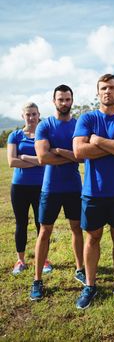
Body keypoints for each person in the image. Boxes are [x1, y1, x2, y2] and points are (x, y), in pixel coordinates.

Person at [73, 74, 114, 309]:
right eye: (103, 88)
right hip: (93, 192)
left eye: (112, 88)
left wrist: (99, 141)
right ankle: (90, 285)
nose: (107, 91)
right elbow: (79, 152)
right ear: (98, 92)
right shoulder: (87, 118)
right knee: (92, 238)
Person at [29, 84, 85, 301]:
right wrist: (71, 155)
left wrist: (60, 150)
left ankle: (80, 268)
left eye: (67, 99)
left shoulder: (79, 125)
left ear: (72, 100)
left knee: (76, 229)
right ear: (54, 101)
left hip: (73, 187)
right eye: (60, 99)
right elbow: (43, 158)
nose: (64, 103)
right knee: (44, 232)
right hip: (50, 188)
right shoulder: (45, 125)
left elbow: (82, 157)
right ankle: (37, 280)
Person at [7, 102, 52, 275]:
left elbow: (46, 160)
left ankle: (45, 260)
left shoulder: (44, 135)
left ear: (39, 115)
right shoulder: (15, 135)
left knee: (41, 224)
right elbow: (12, 161)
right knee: (21, 223)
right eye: (28, 115)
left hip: (41, 187)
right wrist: (37, 160)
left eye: (34, 114)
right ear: (23, 116)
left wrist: (24, 156)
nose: (31, 118)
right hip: (19, 187)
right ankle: (21, 260)